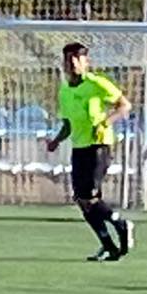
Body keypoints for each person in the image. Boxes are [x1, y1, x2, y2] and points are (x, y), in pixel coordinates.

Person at [46, 42, 134, 261]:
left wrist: (106, 122)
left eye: (78, 58)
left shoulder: (95, 83)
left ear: (86, 62)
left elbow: (124, 106)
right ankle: (108, 245)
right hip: (79, 147)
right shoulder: (65, 91)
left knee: (91, 198)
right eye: (69, 59)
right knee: (81, 200)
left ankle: (121, 224)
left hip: (99, 145)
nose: (73, 63)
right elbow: (68, 124)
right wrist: (56, 140)